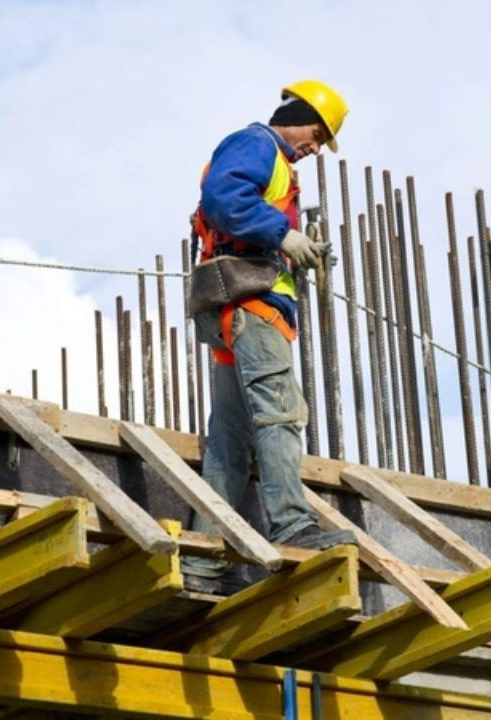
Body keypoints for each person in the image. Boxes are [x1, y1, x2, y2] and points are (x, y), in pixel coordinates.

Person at [182, 80, 355, 593]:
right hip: (253, 308)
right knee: (280, 413)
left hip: (235, 309)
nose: (316, 149)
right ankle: (293, 525)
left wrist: (296, 247)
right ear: (298, 117)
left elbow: (240, 215)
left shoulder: (273, 162)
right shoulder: (258, 144)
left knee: (230, 443)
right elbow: (223, 196)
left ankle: (203, 561)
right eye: (317, 135)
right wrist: (283, 235)